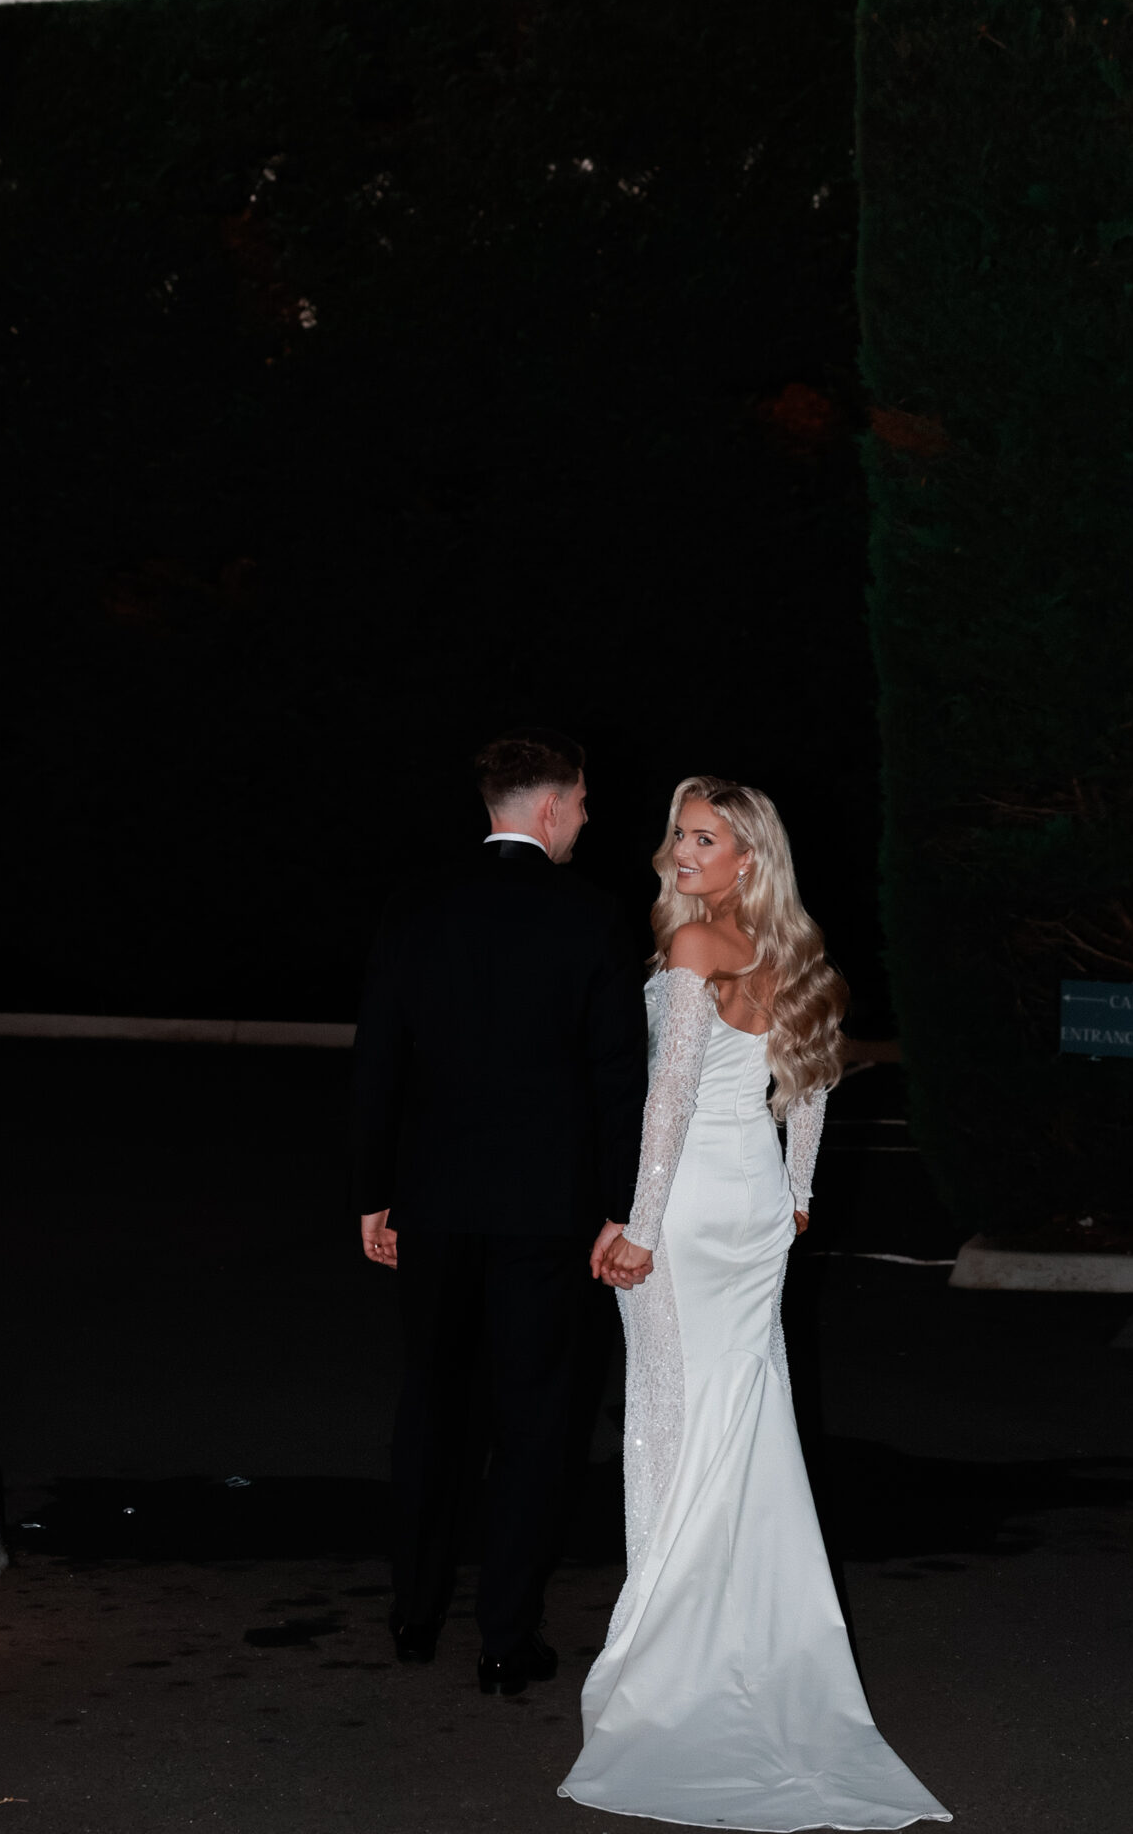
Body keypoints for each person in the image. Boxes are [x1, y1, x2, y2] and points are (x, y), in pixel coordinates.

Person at [562, 777, 950, 1830]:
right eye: (680, 832)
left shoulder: (694, 951)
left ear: (748, 860)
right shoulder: (791, 958)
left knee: (674, 1426)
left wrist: (636, 1225)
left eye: (706, 838)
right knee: (741, 1422)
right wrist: (796, 1195)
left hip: (686, 1210)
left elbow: (670, 1101)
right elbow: (812, 1086)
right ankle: (739, 1640)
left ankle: (669, 1657)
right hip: (752, 1212)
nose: (682, 850)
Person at [351, 729, 649, 1697]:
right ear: (553, 807)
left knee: (432, 1402)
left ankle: (413, 1611)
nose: (588, 821)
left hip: (434, 1203)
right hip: (545, 1214)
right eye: (586, 803)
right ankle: (504, 1636)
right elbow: (618, 1081)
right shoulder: (596, 916)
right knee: (533, 1417)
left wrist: (373, 1191)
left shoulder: (416, 906)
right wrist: (620, 1206)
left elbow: (378, 1062)